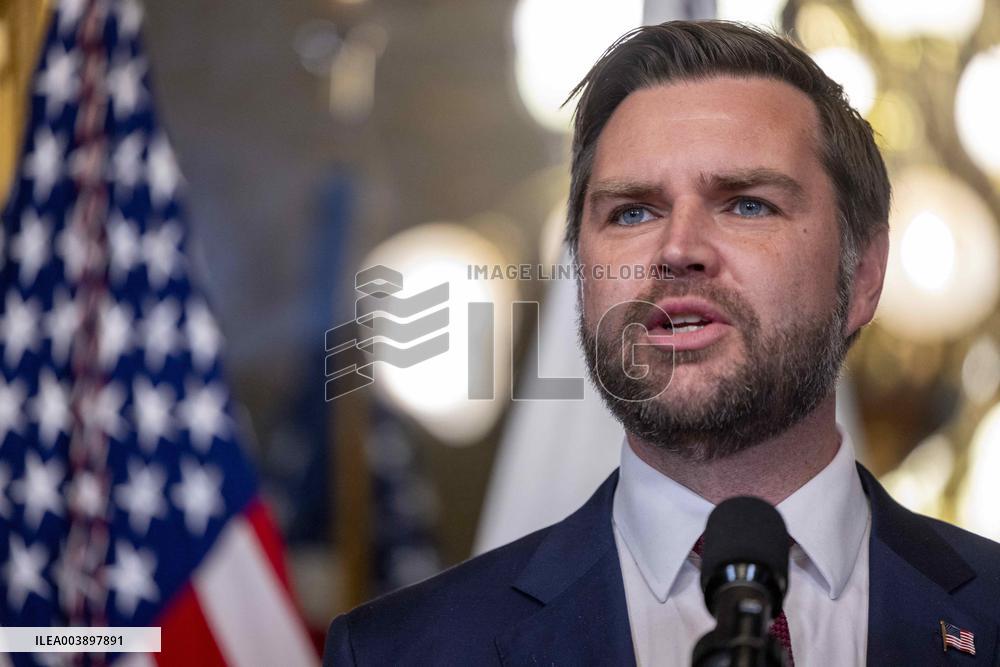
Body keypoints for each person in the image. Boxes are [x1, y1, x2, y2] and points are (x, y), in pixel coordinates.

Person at [323, 21, 1000, 666]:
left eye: (746, 203)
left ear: (864, 274)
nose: (677, 249)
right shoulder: (402, 652)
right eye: (633, 211)